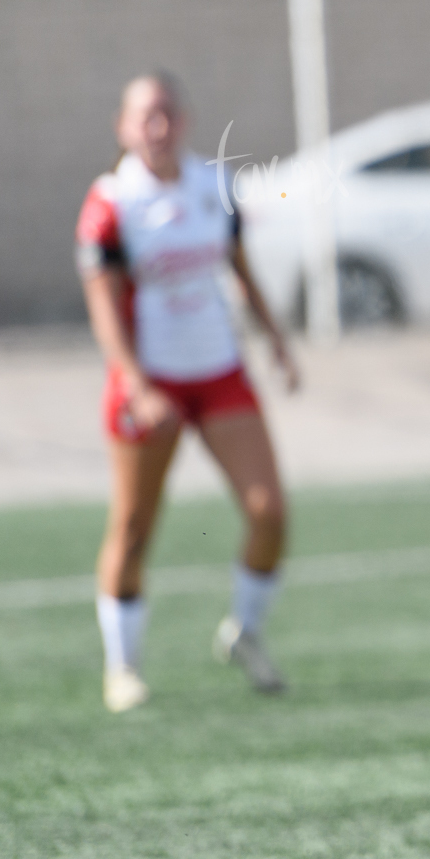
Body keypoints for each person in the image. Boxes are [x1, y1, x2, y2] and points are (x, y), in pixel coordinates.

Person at [74, 72, 298, 712]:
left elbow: (239, 268)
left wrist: (276, 338)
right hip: (151, 380)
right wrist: (137, 384)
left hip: (220, 372)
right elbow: (105, 309)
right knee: (136, 525)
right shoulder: (111, 201)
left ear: (186, 119)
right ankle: (124, 668)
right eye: (145, 116)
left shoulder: (213, 185)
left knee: (269, 513)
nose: (158, 127)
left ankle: (246, 633)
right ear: (123, 127)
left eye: (167, 112)